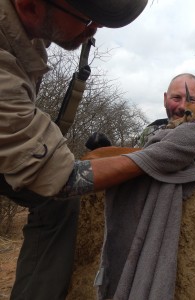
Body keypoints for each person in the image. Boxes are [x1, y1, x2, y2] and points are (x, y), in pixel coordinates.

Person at [0, 0, 148, 299]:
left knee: (56, 206)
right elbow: (61, 179)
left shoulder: (26, 23)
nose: (96, 28)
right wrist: (151, 159)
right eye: (88, 20)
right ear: (30, 6)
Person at [136, 73, 195, 180]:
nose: (183, 106)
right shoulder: (151, 131)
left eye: (192, 100)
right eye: (176, 98)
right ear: (165, 99)